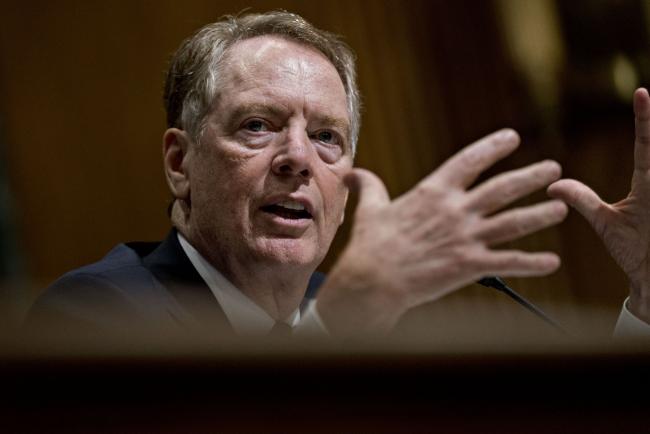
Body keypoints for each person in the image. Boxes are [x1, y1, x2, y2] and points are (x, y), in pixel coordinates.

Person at [26, 11, 649, 339]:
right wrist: (340, 325)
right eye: (258, 125)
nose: (299, 157)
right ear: (179, 162)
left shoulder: (351, 311)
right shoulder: (98, 314)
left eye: (327, 136)